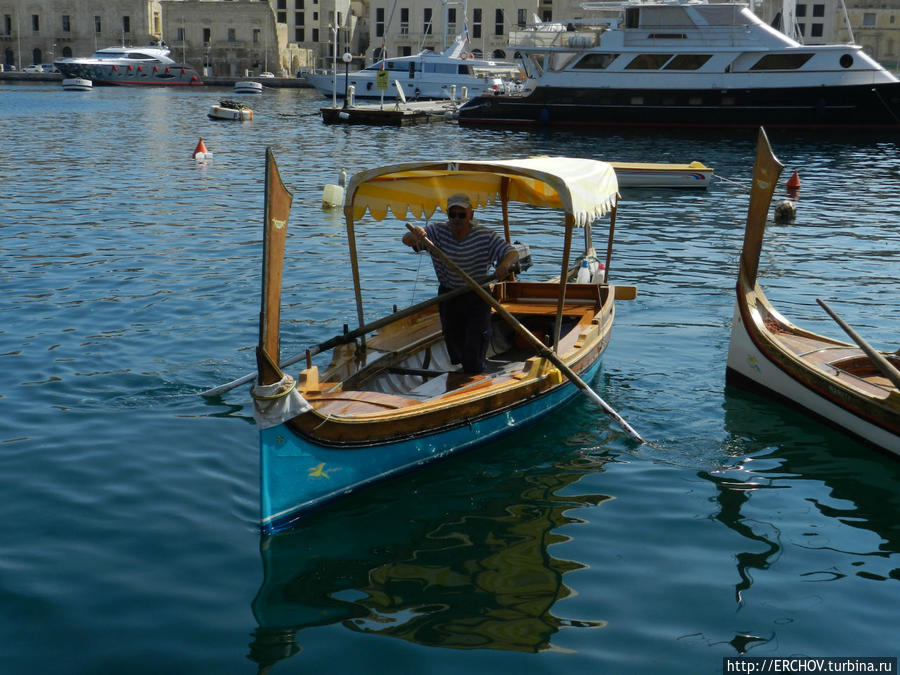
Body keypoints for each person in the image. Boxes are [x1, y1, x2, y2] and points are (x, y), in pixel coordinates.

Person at [402, 193, 518, 374]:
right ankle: (467, 371)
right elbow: (407, 240)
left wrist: (504, 265)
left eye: (461, 215)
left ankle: (475, 373)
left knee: (474, 346)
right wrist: (415, 234)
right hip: (449, 295)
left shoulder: (485, 236)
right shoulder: (435, 232)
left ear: (470, 215)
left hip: (477, 296)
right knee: (455, 348)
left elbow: (512, 253)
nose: (457, 219)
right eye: (452, 215)